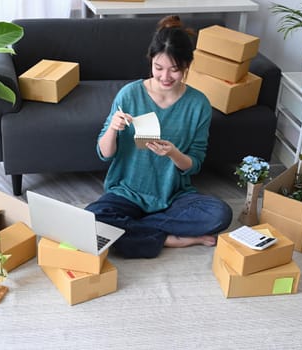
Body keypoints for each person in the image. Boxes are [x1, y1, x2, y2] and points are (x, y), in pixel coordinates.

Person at [85, 15, 233, 259]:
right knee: (91, 220)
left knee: (219, 214)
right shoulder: (129, 94)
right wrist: (112, 128)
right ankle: (170, 239)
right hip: (126, 192)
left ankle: (134, 228)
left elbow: (194, 164)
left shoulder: (198, 104)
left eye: (174, 70)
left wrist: (173, 153)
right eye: (158, 68)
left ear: (187, 66)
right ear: (151, 61)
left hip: (173, 196)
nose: (165, 77)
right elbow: (104, 153)